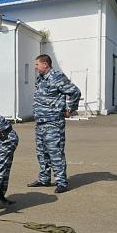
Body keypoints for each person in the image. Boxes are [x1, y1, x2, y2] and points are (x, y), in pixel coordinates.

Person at [28, 54, 81, 193]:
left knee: (55, 152)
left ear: (45, 64)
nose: (35, 68)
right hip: (40, 122)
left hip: (53, 123)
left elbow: (75, 92)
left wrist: (71, 109)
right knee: (42, 153)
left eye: (37, 65)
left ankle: (62, 182)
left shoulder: (57, 77)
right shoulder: (40, 78)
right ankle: (44, 179)